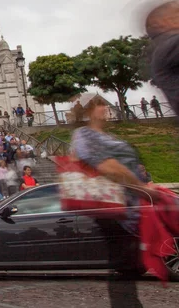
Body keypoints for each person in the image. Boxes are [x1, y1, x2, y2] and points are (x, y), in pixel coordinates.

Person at [71, 97, 157, 308]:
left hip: (132, 210)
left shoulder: (106, 135)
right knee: (125, 275)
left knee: (130, 273)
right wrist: (141, 185)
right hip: (113, 212)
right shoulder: (84, 135)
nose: (106, 108)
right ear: (90, 111)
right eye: (100, 104)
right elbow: (106, 166)